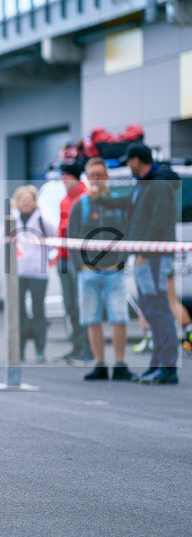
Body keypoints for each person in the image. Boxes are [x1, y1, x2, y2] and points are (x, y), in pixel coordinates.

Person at [92, 143, 180, 384]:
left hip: (153, 257)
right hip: (146, 256)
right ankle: (157, 365)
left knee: (158, 308)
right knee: (150, 309)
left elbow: (160, 221)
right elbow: (128, 204)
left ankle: (168, 368)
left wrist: (144, 251)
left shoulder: (159, 184)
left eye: (129, 161)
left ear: (137, 161)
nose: (128, 165)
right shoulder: (144, 183)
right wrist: (103, 198)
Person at [67, 158, 133, 381]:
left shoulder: (118, 202)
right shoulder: (81, 205)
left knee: (119, 317)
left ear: (107, 177)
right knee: (91, 318)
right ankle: (100, 363)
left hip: (114, 270)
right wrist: (81, 266)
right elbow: (71, 239)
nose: (96, 179)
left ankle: (120, 363)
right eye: (92, 175)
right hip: (89, 271)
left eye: (100, 175)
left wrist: (121, 263)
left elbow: (127, 234)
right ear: (86, 178)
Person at [9, 185, 53, 363]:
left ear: (35, 201)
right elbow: (1, 240)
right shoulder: (11, 220)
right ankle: (19, 350)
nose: (26, 202)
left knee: (38, 311)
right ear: (17, 202)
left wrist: (44, 256)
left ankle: (40, 350)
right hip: (18, 273)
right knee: (19, 312)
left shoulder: (42, 220)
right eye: (23, 199)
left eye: (29, 199)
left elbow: (53, 239)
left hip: (38, 272)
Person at [55, 163, 93, 364]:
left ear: (76, 177)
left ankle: (87, 348)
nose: (63, 180)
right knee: (69, 305)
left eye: (66, 176)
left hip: (77, 259)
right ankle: (77, 346)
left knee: (81, 304)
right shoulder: (64, 200)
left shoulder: (85, 198)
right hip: (63, 257)